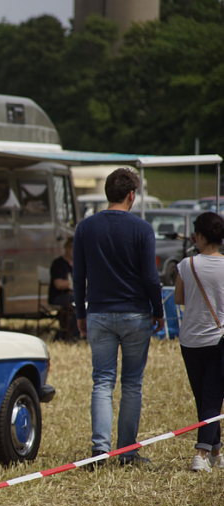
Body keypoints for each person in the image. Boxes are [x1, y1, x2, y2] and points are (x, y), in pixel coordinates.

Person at [73, 167, 164, 466]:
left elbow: (78, 275)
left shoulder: (85, 228)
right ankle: (126, 451)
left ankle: (99, 451)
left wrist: (79, 312)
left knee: (102, 381)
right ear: (131, 195)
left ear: (107, 193)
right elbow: (151, 277)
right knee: (131, 384)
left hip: (98, 312)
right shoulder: (141, 229)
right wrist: (158, 311)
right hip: (135, 313)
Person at [174, 211, 224, 472]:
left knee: (203, 397)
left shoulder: (186, 265)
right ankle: (201, 455)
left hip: (190, 339)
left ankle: (216, 451)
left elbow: (178, 299)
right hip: (217, 339)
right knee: (213, 398)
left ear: (201, 236)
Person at [49, 238, 79, 341]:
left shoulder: (78, 264)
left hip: (75, 295)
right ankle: (73, 334)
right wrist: (75, 283)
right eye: (72, 248)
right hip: (59, 296)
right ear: (67, 248)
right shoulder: (58, 264)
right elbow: (58, 284)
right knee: (77, 302)